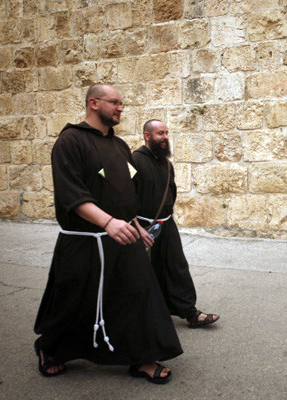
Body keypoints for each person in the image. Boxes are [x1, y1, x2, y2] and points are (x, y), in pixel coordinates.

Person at [34, 85, 182, 384]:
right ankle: (49, 349)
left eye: (121, 103)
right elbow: (70, 193)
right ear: (93, 103)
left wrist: (135, 225)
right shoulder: (70, 141)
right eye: (114, 102)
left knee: (138, 294)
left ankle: (141, 358)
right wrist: (107, 223)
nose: (120, 108)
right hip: (85, 240)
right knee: (72, 299)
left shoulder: (119, 147)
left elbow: (125, 192)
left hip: (124, 234)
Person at [132, 120, 220, 329]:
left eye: (167, 133)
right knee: (142, 273)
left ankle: (190, 313)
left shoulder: (166, 164)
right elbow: (120, 193)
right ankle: (143, 316)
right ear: (147, 135)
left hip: (167, 225)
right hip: (142, 228)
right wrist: (135, 226)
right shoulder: (133, 161)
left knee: (176, 268)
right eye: (160, 133)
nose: (165, 137)